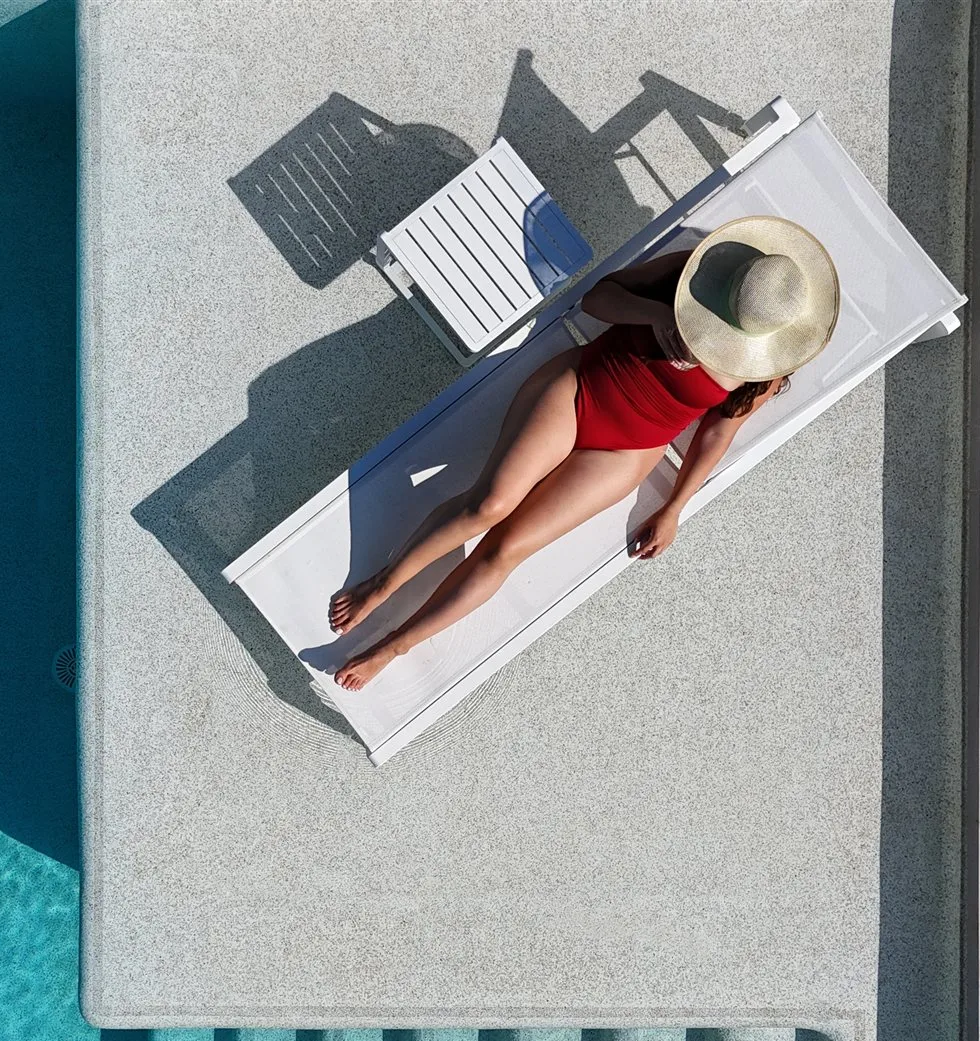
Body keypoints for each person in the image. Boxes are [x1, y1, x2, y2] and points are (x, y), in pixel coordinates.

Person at [328, 215, 840, 691]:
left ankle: (395, 646)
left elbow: (716, 434)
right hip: (581, 387)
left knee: (507, 549)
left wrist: (673, 509)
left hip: (628, 448)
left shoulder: (765, 367)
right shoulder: (692, 271)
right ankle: (382, 584)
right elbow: (596, 300)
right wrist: (659, 314)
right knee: (488, 505)